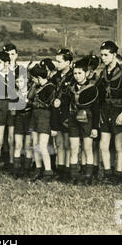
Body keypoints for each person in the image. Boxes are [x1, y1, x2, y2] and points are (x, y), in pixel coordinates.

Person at [97, 41, 122, 183]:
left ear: (114, 55)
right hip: (105, 110)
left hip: (119, 111)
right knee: (103, 144)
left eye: (106, 55)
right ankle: (107, 173)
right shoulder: (102, 74)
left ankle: (118, 174)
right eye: (101, 55)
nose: (103, 58)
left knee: (119, 145)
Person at [67, 57, 100, 185]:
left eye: (80, 73)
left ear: (86, 73)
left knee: (87, 148)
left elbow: (96, 110)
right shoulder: (71, 88)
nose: (77, 76)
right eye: (75, 73)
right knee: (74, 147)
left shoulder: (92, 89)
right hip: (73, 119)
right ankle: (74, 175)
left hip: (88, 120)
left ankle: (88, 175)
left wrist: (95, 127)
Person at [28, 65, 58, 182]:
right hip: (35, 117)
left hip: (45, 118)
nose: (32, 81)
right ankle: (38, 169)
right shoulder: (36, 86)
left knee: (42, 146)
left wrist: (54, 126)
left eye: (33, 78)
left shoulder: (50, 88)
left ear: (39, 77)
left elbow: (53, 109)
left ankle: (48, 171)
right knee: (35, 144)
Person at [52, 48, 74, 182]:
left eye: (59, 61)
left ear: (68, 63)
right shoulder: (55, 77)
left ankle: (68, 169)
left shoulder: (73, 76)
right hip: (56, 113)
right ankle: (60, 169)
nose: (57, 64)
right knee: (59, 142)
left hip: (68, 112)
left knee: (67, 143)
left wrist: (63, 101)